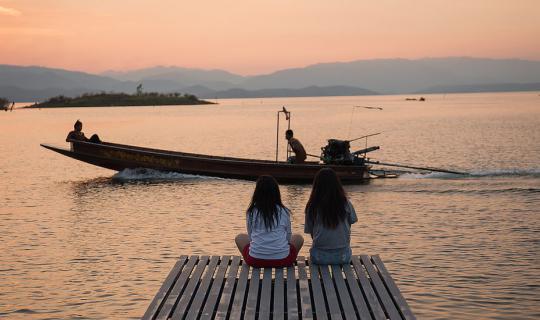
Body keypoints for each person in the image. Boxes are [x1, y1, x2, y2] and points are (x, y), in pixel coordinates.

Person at [235, 175, 304, 267]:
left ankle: (255, 255)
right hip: (283, 260)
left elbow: (251, 236)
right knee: (298, 238)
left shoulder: (251, 212)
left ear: (257, 193)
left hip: (255, 260)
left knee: (240, 237)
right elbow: (288, 237)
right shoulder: (284, 211)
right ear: (276, 193)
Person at [304, 168, 357, 264]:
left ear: (316, 186)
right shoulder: (345, 203)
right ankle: (339, 278)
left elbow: (311, 232)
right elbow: (350, 223)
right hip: (343, 257)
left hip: (319, 257)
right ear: (337, 185)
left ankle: (321, 279)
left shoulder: (312, 206)